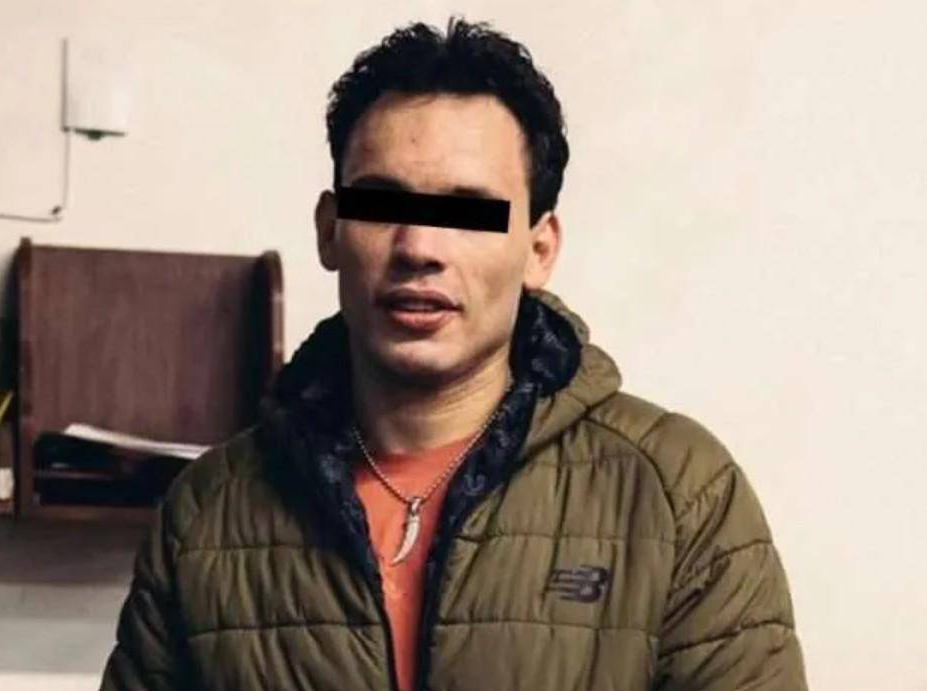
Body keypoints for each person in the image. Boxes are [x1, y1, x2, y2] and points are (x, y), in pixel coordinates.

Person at [100, 17, 807, 691]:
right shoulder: (207, 512)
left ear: (538, 249)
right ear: (329, 230)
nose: (418, 248)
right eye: (382, 205)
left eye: (468, 213)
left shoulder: (679, 492)